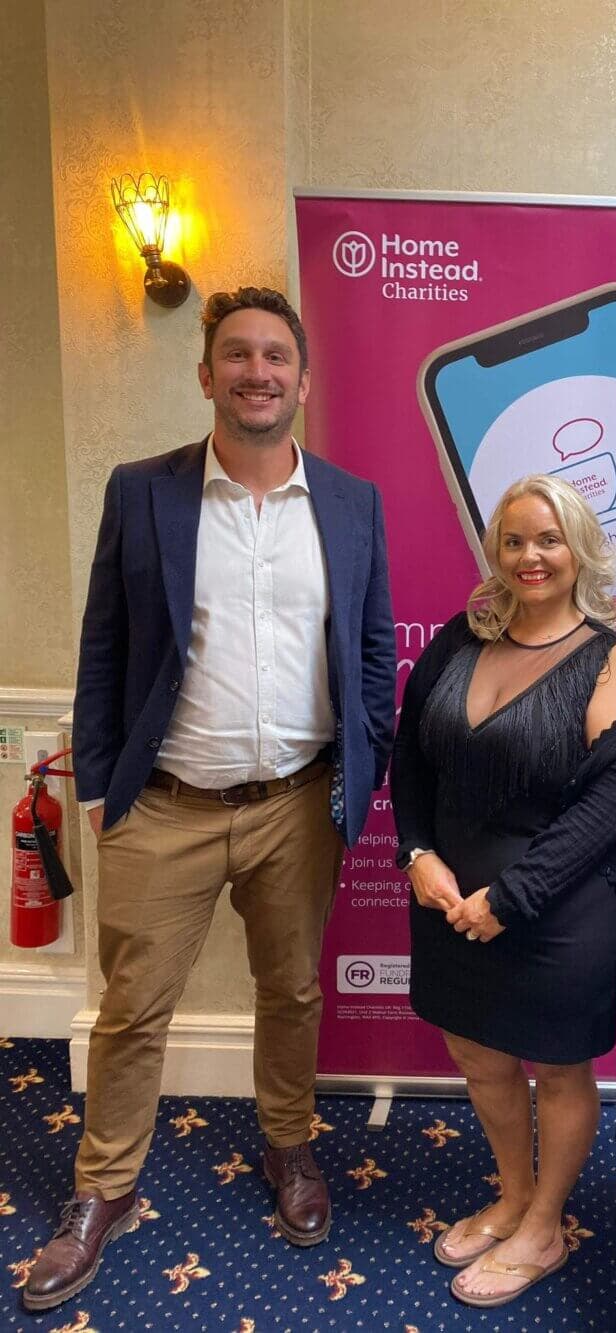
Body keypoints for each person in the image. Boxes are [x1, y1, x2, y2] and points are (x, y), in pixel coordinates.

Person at [23, 287, 396, 1313]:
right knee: (133, 1006)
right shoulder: (144, 491)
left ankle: (290, 1147)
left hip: (298, 803)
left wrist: (368, 769)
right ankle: (104, 1188)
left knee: (293, 992)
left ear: (304, 381)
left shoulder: (352, 502)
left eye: (277, 355)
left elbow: (372, 648)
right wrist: (99, 784)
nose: (258, 371)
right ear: (206, 376)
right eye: (237, 354)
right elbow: (104, 643)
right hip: (166, 805)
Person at [391, 474, 616, 1309]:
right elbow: (410, 759)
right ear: (495, 552)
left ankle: (544, 1223)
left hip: (566, 913)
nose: (530, 556)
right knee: (477, 1053)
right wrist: (416, 852)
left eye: (548, 539)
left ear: (579, 548)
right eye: (514, 541)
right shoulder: (459, 638)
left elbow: (606, 808)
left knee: (557, 1065)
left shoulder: (614, 659)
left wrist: (507, 898)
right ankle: (512, 1193)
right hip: (449, 902)